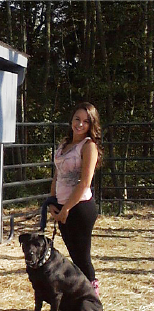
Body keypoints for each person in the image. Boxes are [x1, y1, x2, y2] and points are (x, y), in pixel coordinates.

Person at [48, 102, 103, 296]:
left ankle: (92, 300)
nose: (80, 124)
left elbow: (84, 183)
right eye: (77, 119)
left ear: (91, 125)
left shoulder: (88, 146)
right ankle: (79, 298)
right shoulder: (64, 144)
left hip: (79, 208)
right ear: (71, 120)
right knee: (73, 255)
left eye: (86, 121)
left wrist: (66, 209)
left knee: (82, 258)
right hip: (63, 206)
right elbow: (57, 175)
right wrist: (52, 202)